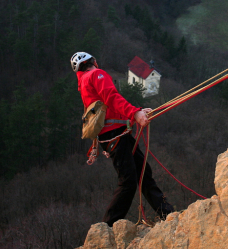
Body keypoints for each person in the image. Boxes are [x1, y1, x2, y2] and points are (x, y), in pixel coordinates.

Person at [71, 52, 174, 226]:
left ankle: (167, 213)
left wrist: (137, 111)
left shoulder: (84, 82)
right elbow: (111, 97)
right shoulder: (97, 74)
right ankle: (108, 225)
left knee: (143, 174)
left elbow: (108, 110)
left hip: (114, 136)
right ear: (94, 62)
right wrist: (135, 113)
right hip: (116, 136)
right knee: (129, 181)